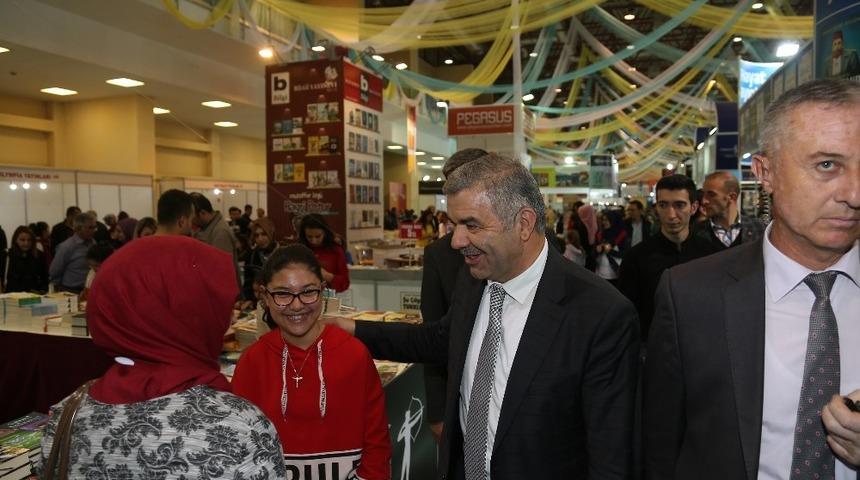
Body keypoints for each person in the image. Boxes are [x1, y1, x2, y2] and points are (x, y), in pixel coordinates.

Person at [330, 154, 639, 479]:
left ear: (523, 224)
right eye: (455, 225)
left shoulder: (600, 314)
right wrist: (348, 328)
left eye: (472, 225)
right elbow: (438, 340)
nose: (457, 241)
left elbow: (611, 456)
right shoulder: (474, 278)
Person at [643, 79, 860, 480]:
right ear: (765, 172)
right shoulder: (691, 296)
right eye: (827, 165)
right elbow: (659, 444)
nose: (854, 193)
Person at [37, 235, 287, 479]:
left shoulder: (65, 417)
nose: (228, 319)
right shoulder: (239, 428)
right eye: (216, 307)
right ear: (191, 314)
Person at [232, 245, 391, 480]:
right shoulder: (252, 362)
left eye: (308, 292)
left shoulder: (354, 354)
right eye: (283, 294)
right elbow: (240, 446)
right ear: (265, 297)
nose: (297, 305)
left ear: (323, 291)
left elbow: (377, 442)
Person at [420, 147, 488, 444]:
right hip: (461, 396)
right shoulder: (440, 254)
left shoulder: (529, 243)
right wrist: (437, 412)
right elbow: (433, 335)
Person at [618, 174, 719, 341]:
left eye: (679, 205)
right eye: (663, 205)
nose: (671, 215)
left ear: (694, 207)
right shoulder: (636, 258)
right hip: (652, 348)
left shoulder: (712, 255)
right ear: (656, 208)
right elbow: (627, 313)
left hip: (702, 344)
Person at [694, 170, 765, 251]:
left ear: (732, 197)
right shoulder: (696, 233)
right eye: (704, 194)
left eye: (711, 195)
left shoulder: (758, 228)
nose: (704, 201)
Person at [191, 192, 240, 288]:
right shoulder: (205, 227)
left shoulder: (220, 232)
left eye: (192, 217)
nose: (191, 221)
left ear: (202, 213)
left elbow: (222, 271)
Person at [298, 214, 349, 293]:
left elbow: (345, 283)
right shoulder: (300, 250)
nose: (314, 241)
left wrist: (328, 276)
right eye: (309, 237)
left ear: (325, 233)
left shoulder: (335, 250)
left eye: (318, 236)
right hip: (303, 295)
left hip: (329, 296)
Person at [49, 212, 97, 293]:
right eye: (90, 227)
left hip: (89, 289)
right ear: (78, 229)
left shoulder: (93, 243)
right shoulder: (66, 247)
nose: (94, 230)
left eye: (95, 227)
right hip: (71, 290)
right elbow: (54, 271)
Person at [240, 217, 278, 307]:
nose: (260, 239)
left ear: (271, 233)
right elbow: (248, 282)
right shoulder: (251, 255)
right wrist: (249, 300)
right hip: (259, 303)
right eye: (256, 235)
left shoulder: (282, 253)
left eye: (264, 234)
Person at [2, 226, 48, 293]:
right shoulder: (7, 254)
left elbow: (45, 277)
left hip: (34, 294)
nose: (26, 243)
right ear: (15, 240)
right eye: (22, 240)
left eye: (29, 240)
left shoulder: (39, 255)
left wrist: (43, 290)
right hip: (12, 295)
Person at [593, 209, 629, 285]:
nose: (604, 222)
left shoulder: (621, 235)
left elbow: (625, 253)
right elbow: (593, 252)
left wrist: (611, 251)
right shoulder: (600, 233)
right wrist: (597, 250)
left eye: (607, 220)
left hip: (615, 273)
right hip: (600, 272)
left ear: (613, 220)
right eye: (603, 220)